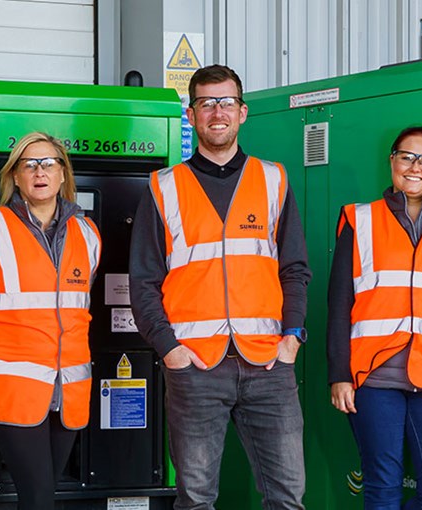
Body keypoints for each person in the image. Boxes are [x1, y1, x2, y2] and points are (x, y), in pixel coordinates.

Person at [129, 64, 310, 510]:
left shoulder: (274, 180)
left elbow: (295, 269)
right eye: (206, 103)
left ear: (243, 112)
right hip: (195, 368)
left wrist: (292, 337)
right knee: (195, 499)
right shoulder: (162, 187)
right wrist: (170, 348)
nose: (217, 112)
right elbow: (143, 281)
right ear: (190, 115)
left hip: (268, 364)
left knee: (287, 497)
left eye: (226, 102)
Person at [327, 126, 422, 510]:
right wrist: (339, 375)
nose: (415, 167)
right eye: (406, 157)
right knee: (383, 488)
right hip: (374, 378)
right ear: (392, 162)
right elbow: (338, 303)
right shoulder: (360, 220)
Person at [0, 132, 101, 510]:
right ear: (14, 176)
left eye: (49, 163)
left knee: (43, 494)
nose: (40, 172)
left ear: (64, 174)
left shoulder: (88, 234)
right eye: (28, 165)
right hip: (14, 391)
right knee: (38, 496)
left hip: (68, 392)